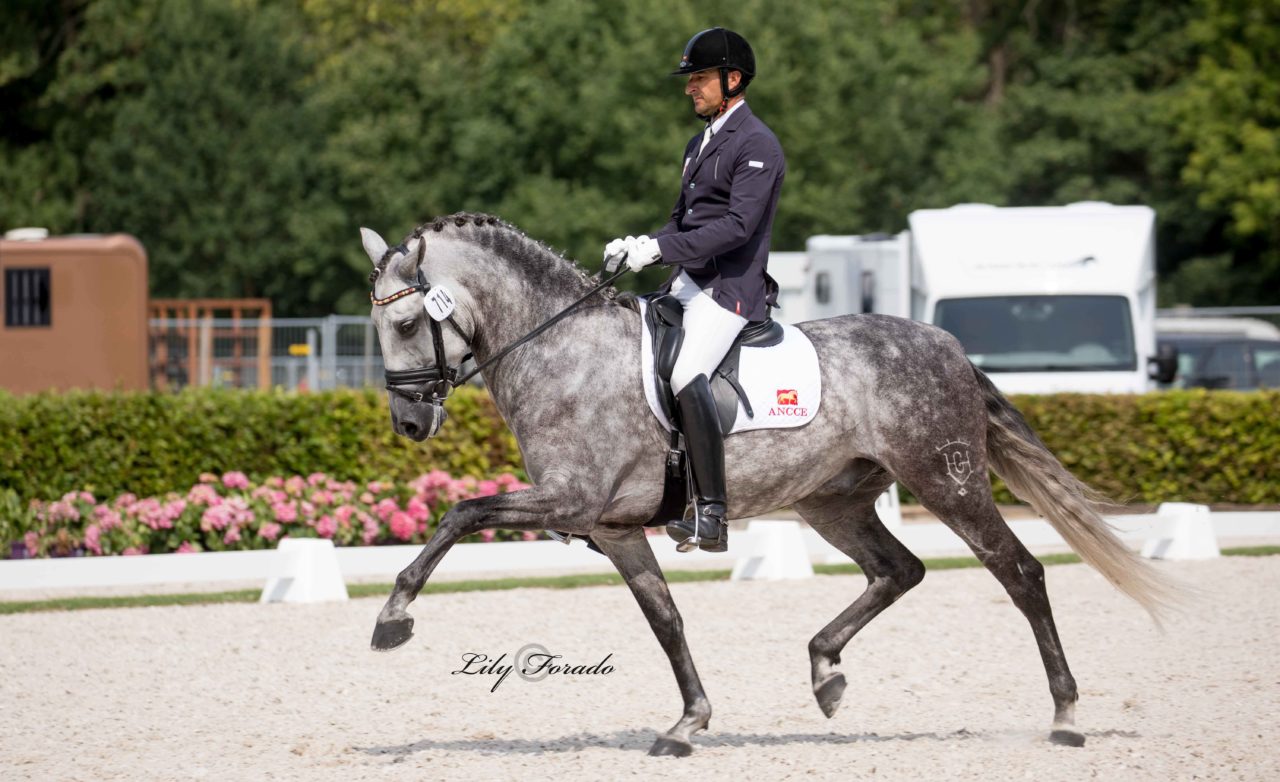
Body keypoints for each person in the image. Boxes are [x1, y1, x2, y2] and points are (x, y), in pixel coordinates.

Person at [605, 27, 786, 552]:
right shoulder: (698, 143)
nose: (691, 88)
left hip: (730, 287)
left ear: (733, 80)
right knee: (625, 352)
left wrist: (662, 250)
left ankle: (712, 514)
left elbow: (737, 227)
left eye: (700, 78)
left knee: (686, 373)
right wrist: (641, 245)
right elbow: (681, 222)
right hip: (687, 282)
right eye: (691, 79)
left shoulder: (757, 144)